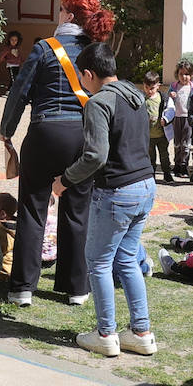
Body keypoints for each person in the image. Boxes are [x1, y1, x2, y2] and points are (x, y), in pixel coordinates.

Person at [0, 0, 114, 307]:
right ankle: (76, 288)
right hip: (83, 137)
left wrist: (6, 131)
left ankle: (22, 288)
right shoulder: (95, 52)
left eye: (61, 9)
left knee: (33, 211)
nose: (58, 14)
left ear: (70, 16)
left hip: (45, 133)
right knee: (78, 212)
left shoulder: (44, 48)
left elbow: (19, 92)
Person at [54, 41, 157, 358]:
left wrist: (65, 180)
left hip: (117, 191)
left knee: (97, 262)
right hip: (146, 186)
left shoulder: (98, 104)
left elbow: (96, 156)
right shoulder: (135, 94)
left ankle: (106, 334)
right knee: (127, 260)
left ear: (87, 74)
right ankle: (141, 332)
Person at [142, 71, 173, 183]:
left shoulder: (163, 98)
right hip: (148, 136)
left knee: (164, 155)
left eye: (152, 88)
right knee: (150, 157)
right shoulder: (141, 99)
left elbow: (171, 110)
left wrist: (166, 119)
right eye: (146, 87)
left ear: (158, 86)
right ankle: (151, 174)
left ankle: (167, 173)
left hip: (161, 134)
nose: (149, 91)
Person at [168, 60, 193, 177]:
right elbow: (168, 101)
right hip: (176, 118)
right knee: (177, 143)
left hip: (188, 119)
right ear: (177, 74)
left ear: (191, 75)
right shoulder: (174, 87)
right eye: (181, 74)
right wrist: (171, 95)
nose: (184, 77)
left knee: (186, 143)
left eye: (187, 74)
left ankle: (184, 165)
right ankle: (177, 164)